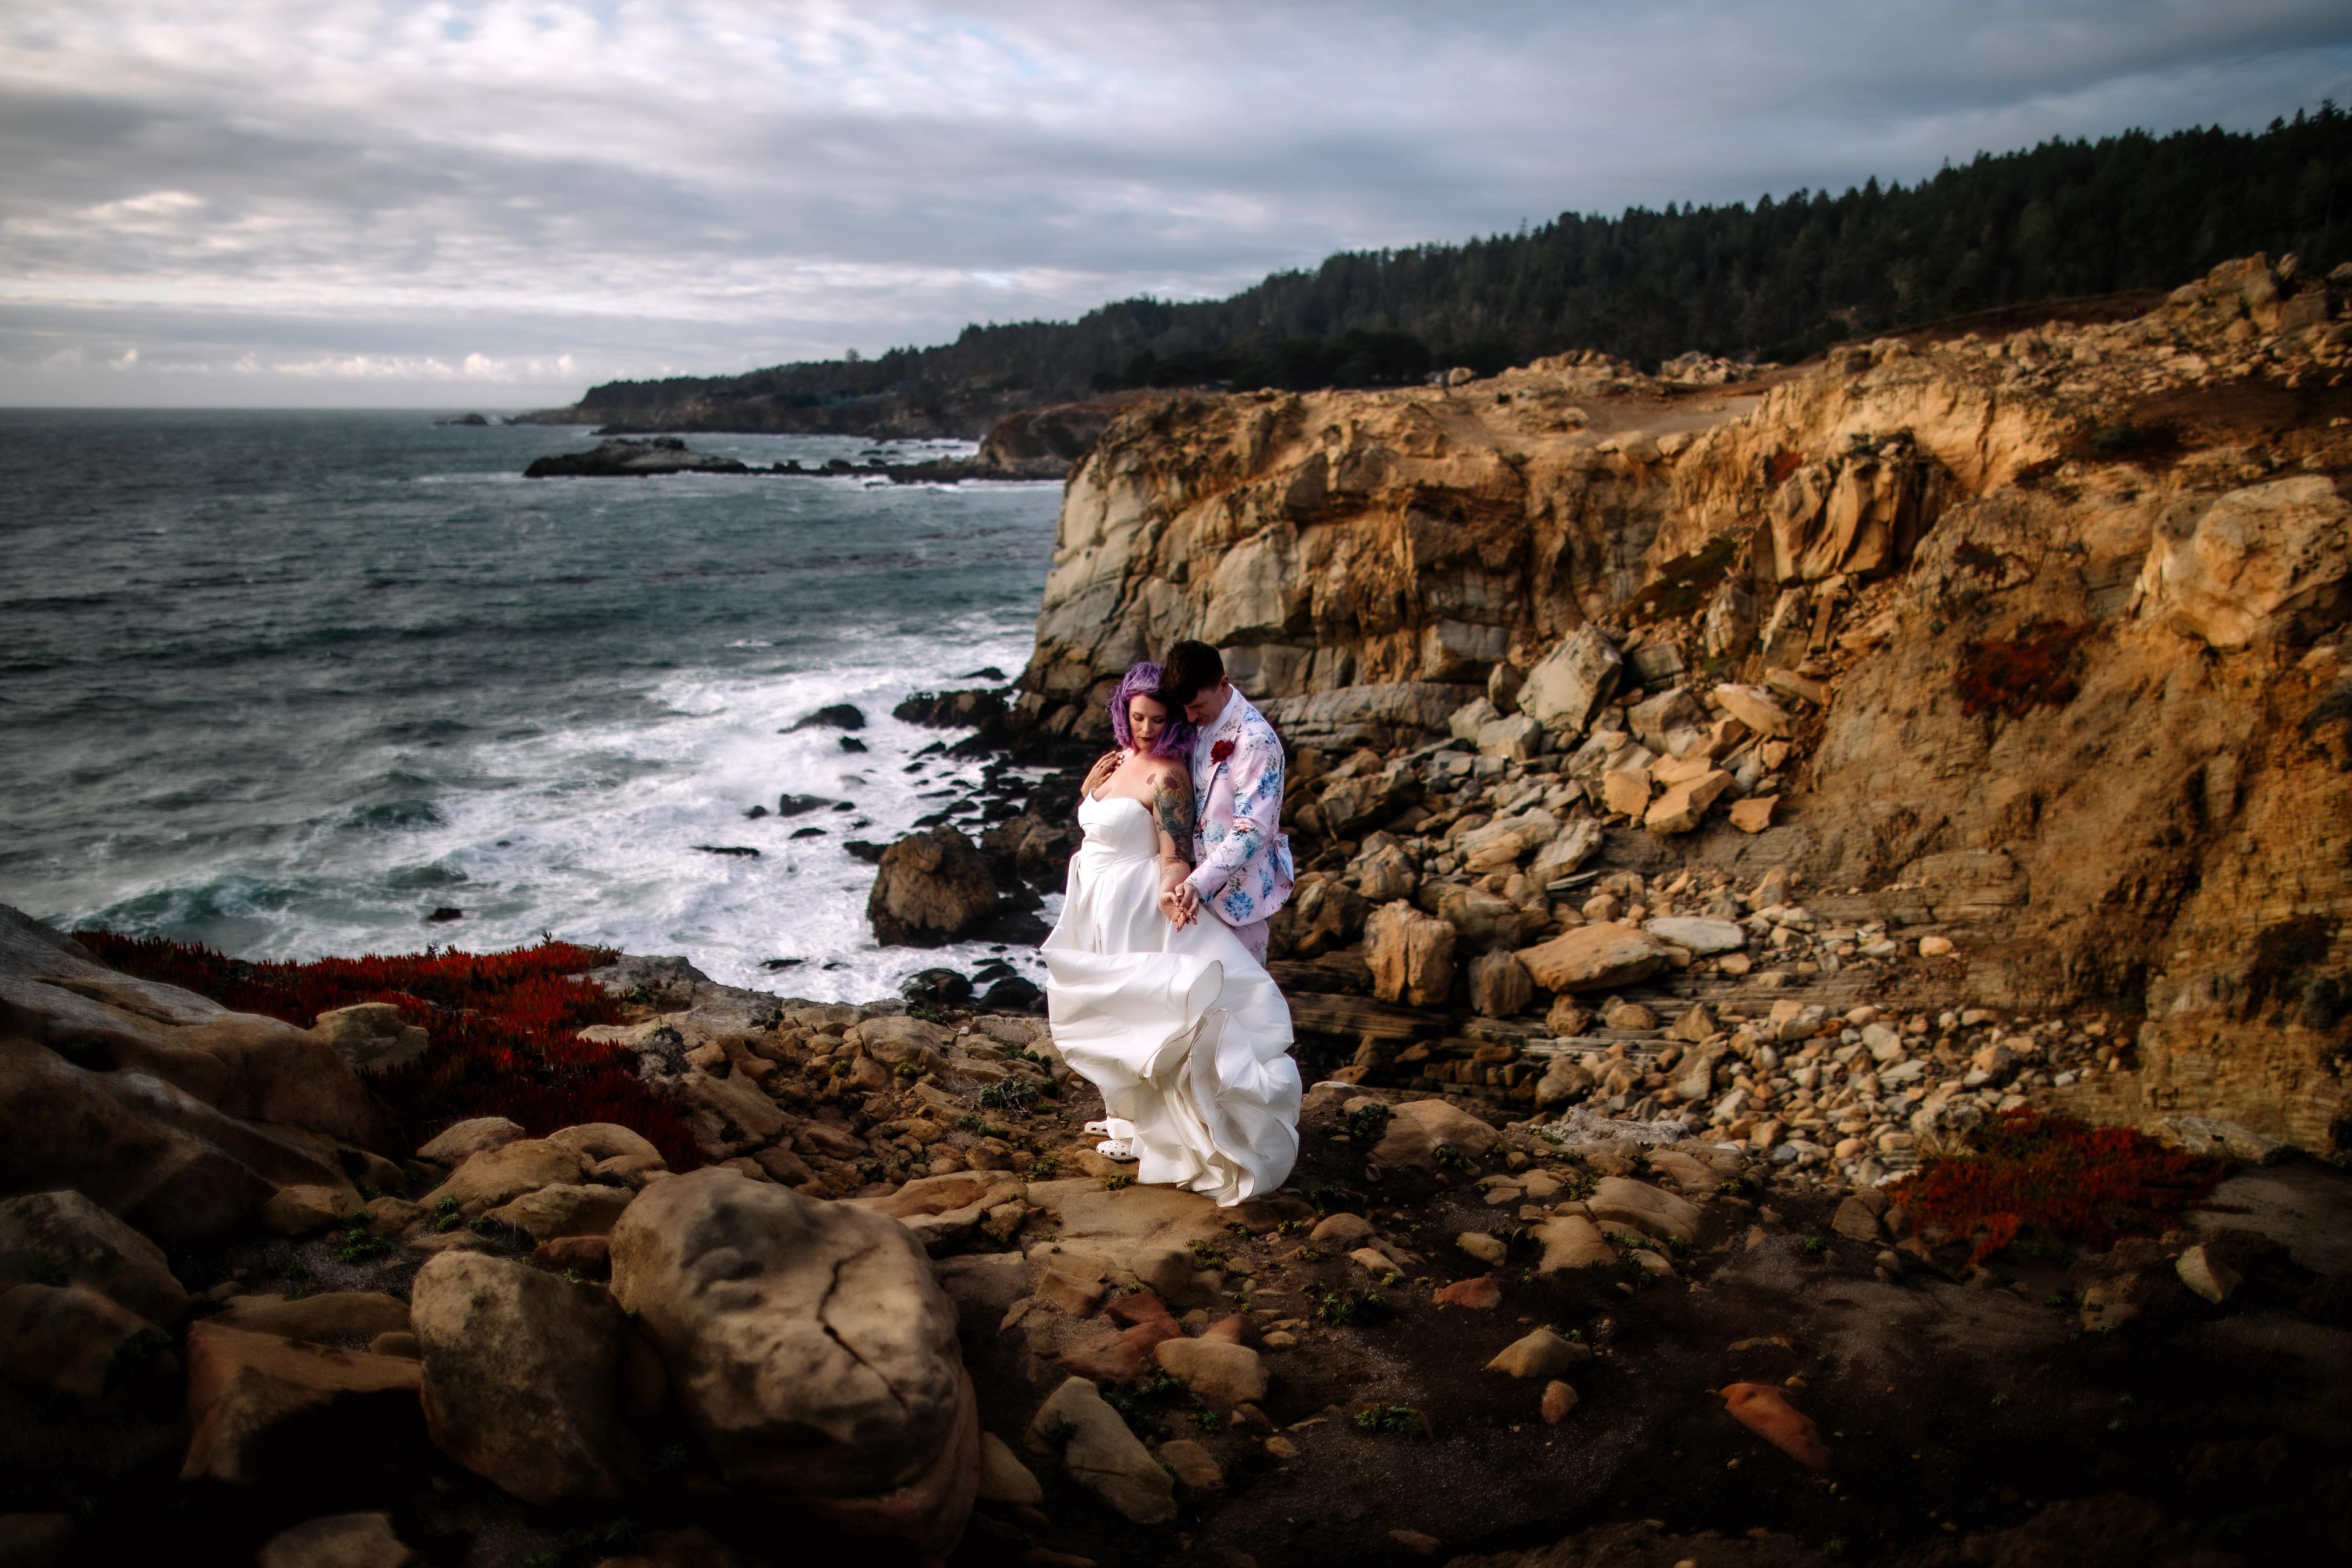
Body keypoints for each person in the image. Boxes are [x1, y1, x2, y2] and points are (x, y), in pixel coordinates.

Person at [1040, 659, 1300, 1207]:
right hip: (1097, 900)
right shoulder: (1125, 759)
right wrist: (1091, 791)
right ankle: (1126, 1120)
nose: (1150, 728)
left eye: (1161, 719)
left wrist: (1179, 886)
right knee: (1116, 1010)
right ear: (1124, 713)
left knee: (1166, 1012)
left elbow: (1180, 848)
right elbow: (1105, 821)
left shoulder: (1195, 762)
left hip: (1152, 900)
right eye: (1139, 717)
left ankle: (1184, 1131)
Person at [1155, 639, 1295, 962]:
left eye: (1197, 707)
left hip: (1240, 900)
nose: (1189, 718)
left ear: (1223, 685)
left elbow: (1252, 829)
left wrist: (1197, 883)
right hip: (1191, 895)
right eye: (1184, 708)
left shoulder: (1256, 741)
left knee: (1240, 1000)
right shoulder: (1196, 720)